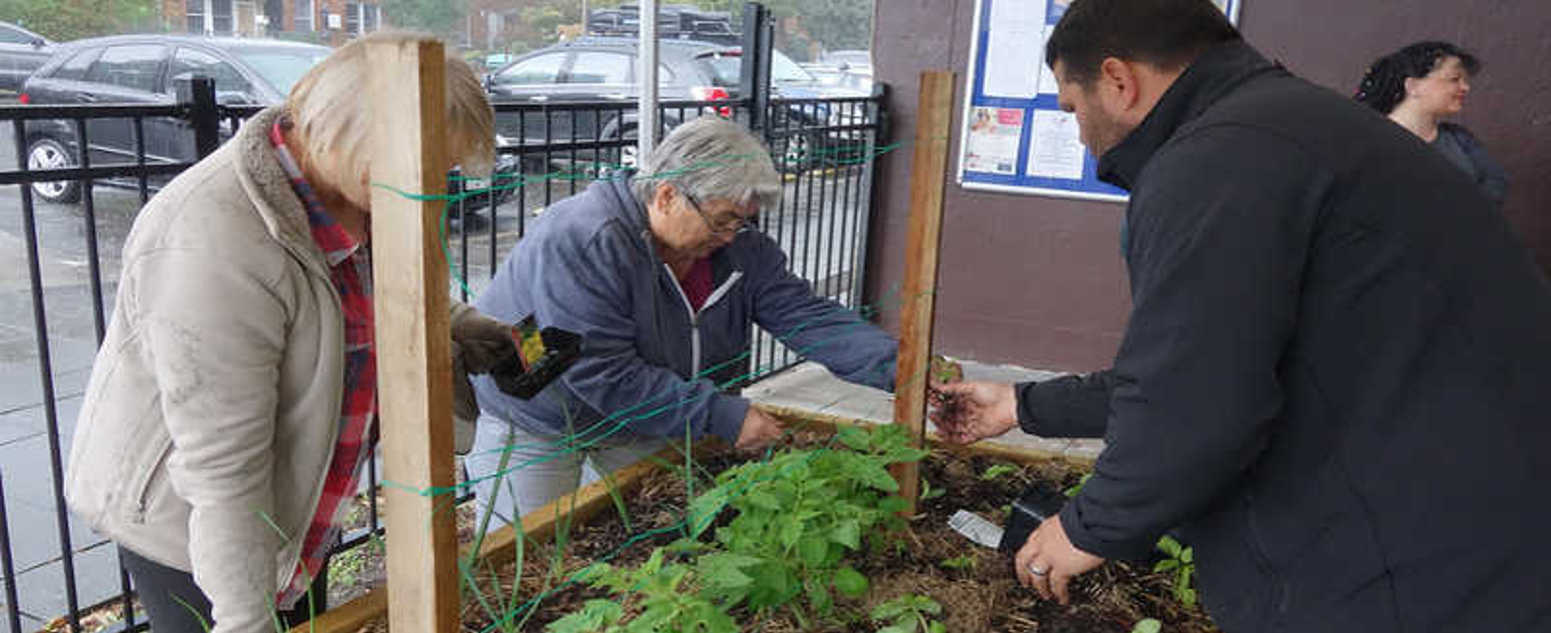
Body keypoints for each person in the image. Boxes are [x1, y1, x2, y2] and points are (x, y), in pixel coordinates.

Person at [931, 1, 1551, 631]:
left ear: (1118, 81)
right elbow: (1211, 365)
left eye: (1071, 107)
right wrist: (1020, 404)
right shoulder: (1295, 127)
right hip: (1477, 519)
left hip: (1410, 565)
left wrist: (1091, 525)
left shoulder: (1218, 161)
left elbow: (1198, 401)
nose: (1082, 135)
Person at [64, 33, 517, 633]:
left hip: (295, 512)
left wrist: (463, 324)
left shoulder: (364, 192)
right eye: (428, 169)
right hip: (198, 531)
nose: (432, 190)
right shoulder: (216, 243)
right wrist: (244, 620)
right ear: (347, 138)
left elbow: (374, 294)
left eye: (447, 171)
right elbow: (225, 473)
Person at [466, 116, 898, 523]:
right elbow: (599, 369)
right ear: (668, 195)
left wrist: (906, 370)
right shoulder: (584, 236)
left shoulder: (739, 250)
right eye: (723, 219)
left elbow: (806, 316)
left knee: (639, 538)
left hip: (639, 416)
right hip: (537, 414)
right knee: (527, 555)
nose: (731, 235)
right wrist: (720, 414)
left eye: (742, 221)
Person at [1355, 41, 1508, 206]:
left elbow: (1496, 184)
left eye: (1464, 80)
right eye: (1454, 79)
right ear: (1413, 86)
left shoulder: (1460, 140)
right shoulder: (1370, 143)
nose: (1464, 87)